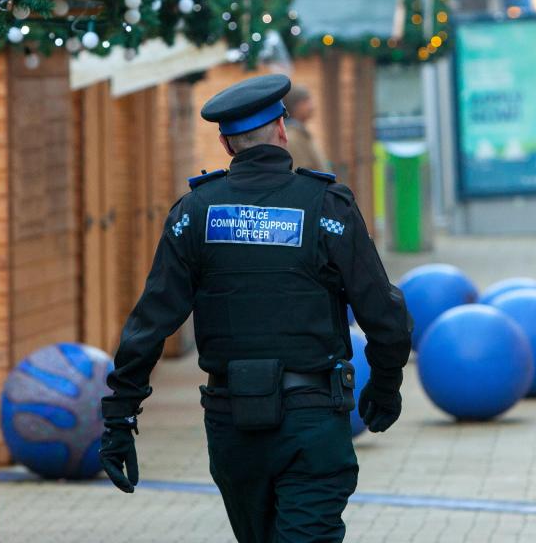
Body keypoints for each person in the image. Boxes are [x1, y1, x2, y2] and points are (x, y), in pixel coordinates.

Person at [99, 74, 413, 542]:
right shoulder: (327, 206)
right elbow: (384, 315)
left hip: (233, 427)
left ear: (226, 144)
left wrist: (120, 416)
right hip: (312, 422)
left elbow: (151, 321)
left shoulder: (194, 213)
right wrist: (385, 388)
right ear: (283, 131)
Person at [283, 84, 331, 171]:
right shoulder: (292, 137)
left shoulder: (300, 132)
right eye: (306, 101)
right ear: (296, 106)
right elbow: (300, 173)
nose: (312, 106)